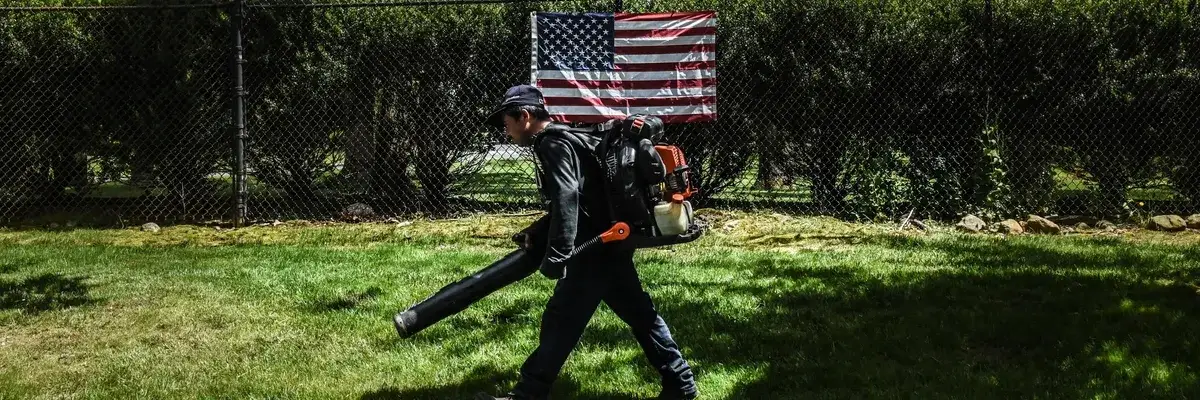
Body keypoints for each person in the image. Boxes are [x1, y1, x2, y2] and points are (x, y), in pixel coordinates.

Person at [474, 84, 698, 400]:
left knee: (562, 320)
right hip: (609, 241)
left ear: (524, 116)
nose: (505, 131)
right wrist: (537, 232)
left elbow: (568, 197)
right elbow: (583, 196)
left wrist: (558, 255)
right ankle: (681, 383)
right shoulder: (570, 137)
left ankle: (528, 394)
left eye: (506, 122)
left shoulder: (551, 144)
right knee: (639, 314)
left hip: (593, 249)